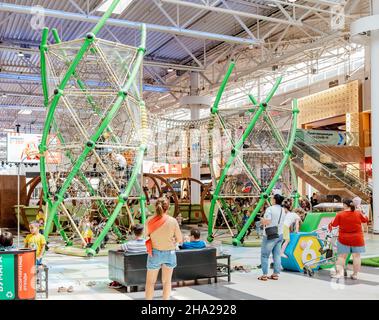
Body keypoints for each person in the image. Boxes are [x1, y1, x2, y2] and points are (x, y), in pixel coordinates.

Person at [145, 197, 182, 300]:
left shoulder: (149, 220)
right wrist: (173, 240)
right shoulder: (173, 221)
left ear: (155, 207)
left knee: (150, 283)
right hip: (169, 253)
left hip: (155, 253)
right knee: (166, 282)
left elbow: (145, 236)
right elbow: (179, 239)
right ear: (168, 207)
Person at [328, 199, 369, 280]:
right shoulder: (357, 213)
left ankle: (339, 274)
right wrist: (363, 213)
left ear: (345, 205)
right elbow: (365, 220)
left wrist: (331, 223)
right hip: (357, 238)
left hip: (344, 239)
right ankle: (355, 274)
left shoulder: (340, 214)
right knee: (356, 256)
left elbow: (334, 224)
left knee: (342, 257)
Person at [108, 224, 146, 289]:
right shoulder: (147, 243)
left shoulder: (129, 244)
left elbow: (116, 249)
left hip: (131, 269)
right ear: (143, 232)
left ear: (133, 233)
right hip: (145, 268)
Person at [258, 194, 285, 281]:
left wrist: (262, 221)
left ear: (274, 200)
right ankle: (275, 274)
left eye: (272, 198)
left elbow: (267, 222)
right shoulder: (283, 210)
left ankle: (264, 274)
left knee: (264, 255)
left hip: (270, 235)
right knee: (277, 255)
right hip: (280, 234)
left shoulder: (270, 209)